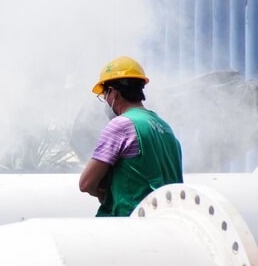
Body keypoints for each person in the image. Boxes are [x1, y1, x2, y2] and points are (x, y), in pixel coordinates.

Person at [78, 56, 183, 217]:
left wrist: (102, 192)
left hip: (133, 224)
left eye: (104, 95)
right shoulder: (165, 128)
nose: (105, 101)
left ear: (112, 92)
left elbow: (86, 183)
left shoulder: (121, 126)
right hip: (169, 221)